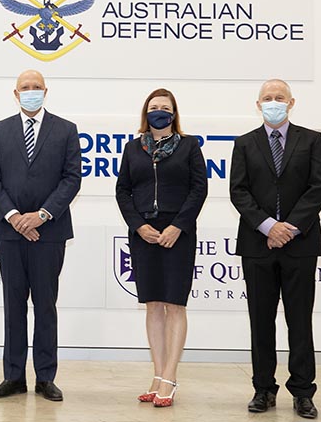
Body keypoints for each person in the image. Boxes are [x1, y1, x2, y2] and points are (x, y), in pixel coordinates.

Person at [230, 79, 321, 419]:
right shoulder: (244, 143)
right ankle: (263, 389)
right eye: (268, 98)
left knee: (299, 320)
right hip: (258, 244)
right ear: (258, 104)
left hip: (300, 244)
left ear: (292, 102)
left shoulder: (311, 140)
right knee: (261, 320)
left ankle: (303, 392)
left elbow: (319, 189)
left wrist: (288, 227)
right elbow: (238, 191)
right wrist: (269, 227)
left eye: (279, 98)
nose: (274, 102)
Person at [0, 69, 81, 402]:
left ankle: (45, 377)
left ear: (46, 91)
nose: (31, 92)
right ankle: (13, 377)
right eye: (25, 88)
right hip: (9, 234)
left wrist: (40, 216)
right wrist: (14, 217)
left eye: (36, 87)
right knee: (13, 306)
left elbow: (71, 179)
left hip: (49, 233)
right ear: (15, 93)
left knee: (45, 306)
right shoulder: (0, 130)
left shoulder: (66, 130)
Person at [115, 88, 208, 408]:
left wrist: (177, 226)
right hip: (143, 233)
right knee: (153, 305)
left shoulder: (189, 146)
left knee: (175, 306)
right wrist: (138, 226)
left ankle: (170, 376)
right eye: (153, 107)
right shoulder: (132, 148)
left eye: (164, 108)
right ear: (145, 113)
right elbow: (123, 191)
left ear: (174, 113)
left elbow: (199, 189)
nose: (159, 112)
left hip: (177, 233)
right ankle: (157, 376)